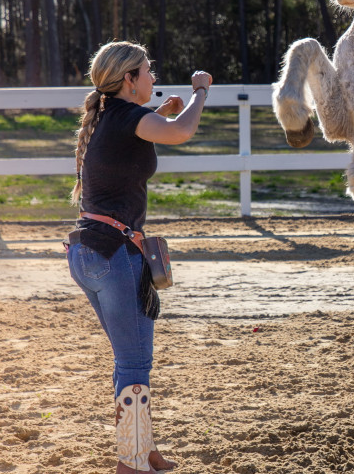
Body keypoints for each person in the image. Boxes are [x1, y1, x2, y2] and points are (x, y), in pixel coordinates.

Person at [66, 41, 212, 474]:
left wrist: (161, 113)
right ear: (129, 80)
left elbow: (150, 132)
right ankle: (131, 462)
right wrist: (201, 91)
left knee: (127, 359)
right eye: (147, 71)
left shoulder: (109, 118)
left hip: (88, 252)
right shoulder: (128, 117)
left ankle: (141, 448)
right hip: (115, 255)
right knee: (134, 362)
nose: (152, 77)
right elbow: (183, 133)